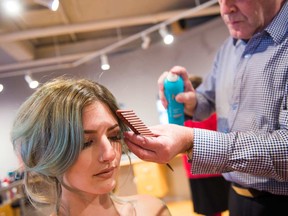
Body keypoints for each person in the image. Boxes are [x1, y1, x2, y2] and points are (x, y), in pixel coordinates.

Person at [123, 0, 288, 215]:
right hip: (236, 196)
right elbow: (207, 100)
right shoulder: (229, 48)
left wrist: (192, 141)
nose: (225, 9)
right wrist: (190, 101)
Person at [10, 77, 171, 216]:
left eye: (113, 136)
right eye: (85, 142)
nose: (110, 154)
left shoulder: (152, 211)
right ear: (47, 154)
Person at [183, 75, 229, 216]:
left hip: (201, 170)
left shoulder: (185, 118)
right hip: (216, 167)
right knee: (224, 206)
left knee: (211, 211)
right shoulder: (214, 114)